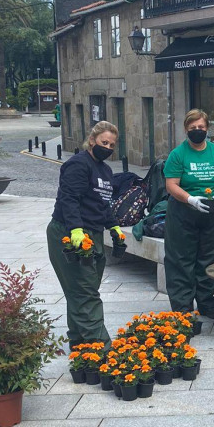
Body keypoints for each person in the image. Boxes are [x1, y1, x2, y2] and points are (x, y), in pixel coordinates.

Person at [47, 120, 125, 349]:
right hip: (69, 233)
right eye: (104, 143)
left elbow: (103, 203)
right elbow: (69, 199)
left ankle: (80, 346)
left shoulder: (106, 170)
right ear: (92, 140)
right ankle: (101, 349)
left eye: (112, 145)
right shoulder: (78, 165)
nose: (108, 148)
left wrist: (114, 227)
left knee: (81, 290)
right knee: (85, 292)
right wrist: (76, 231)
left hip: (94, 233)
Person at [164, 109, 214, 319]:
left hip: (211, 212)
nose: (197, 131)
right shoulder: (178, 154)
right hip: (183, 212)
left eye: (201, 127)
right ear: (186, 129)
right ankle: (182, 308)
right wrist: (191, 199)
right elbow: (171, 184)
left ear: (208, 129)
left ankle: (207, 303)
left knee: (209, 259)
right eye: (193, 128)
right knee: (181, 261)